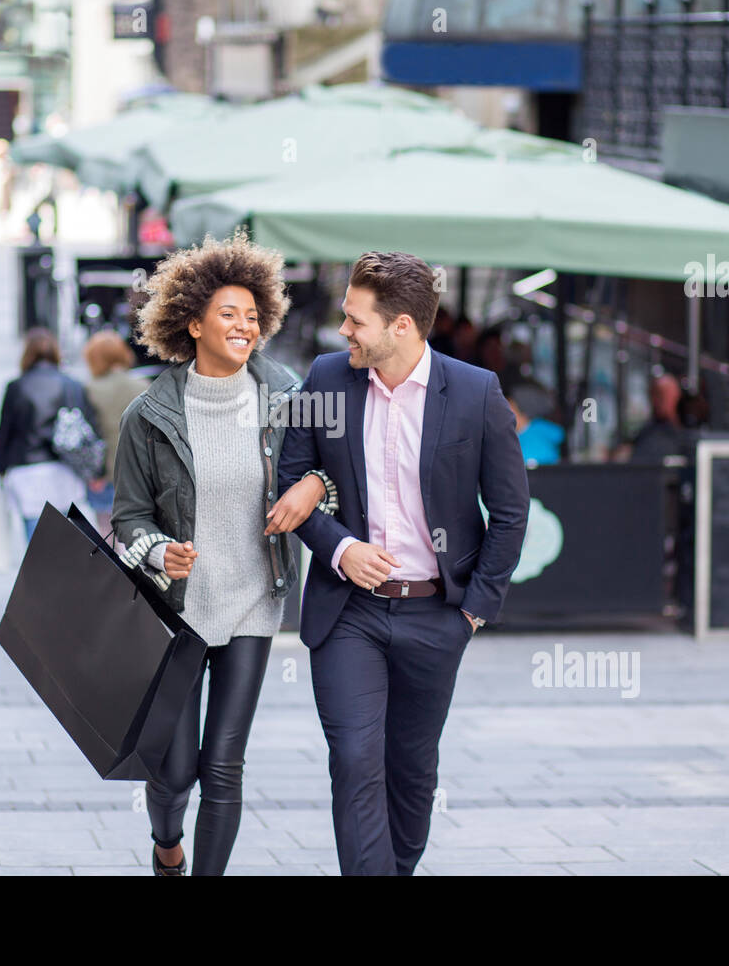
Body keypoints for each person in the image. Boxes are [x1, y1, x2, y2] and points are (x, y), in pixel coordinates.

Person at [279, 250, 530, 876]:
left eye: (355, 321)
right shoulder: (326, 379)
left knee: (412, 768)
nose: (343, 331)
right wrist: (340, 546)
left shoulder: (475, 393)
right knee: (356, 758)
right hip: (348, 615)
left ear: (402, 327)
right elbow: (287, 482)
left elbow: (511, 509)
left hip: (435, 616)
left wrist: (473, 612)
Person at [112, 229, 339, 876]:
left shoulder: (290, 398)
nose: (244, 327)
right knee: (175, 768)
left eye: (252, 316)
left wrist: (316, 485)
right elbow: (128, 516)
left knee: (223, 764)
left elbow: (335, 480)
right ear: (192, 324)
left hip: (251, 604)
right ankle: (166, 846)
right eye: (228, 315)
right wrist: (157, 552)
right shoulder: (148, 416)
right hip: (177, 610)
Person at [0, 328, 98, 541]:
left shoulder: (16, 386)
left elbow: (5, 431)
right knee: (61, 537)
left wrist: (1, 468)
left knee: (34, 538)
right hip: (64, 469)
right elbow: (89, 428)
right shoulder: (73, 385)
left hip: (26, 469)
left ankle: (40, 574)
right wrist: (96, 471)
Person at [82, 330, 150, 537]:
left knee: (106, 533)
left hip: (102, 472)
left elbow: (86, 435)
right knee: (135, 532)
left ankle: (114, 569)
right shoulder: (142, 386)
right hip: (136, 471)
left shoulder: (89, 389)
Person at [628, 374, 686, 464]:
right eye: (655, 395)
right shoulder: (645, 434)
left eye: (663, 394)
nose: (658, 400)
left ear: (677, 395)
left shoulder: (688, 429)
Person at [509, 382, 564, 466]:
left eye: (510, 408)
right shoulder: (546, 431)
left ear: (523, 412)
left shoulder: (532, 442)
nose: (503, 413)